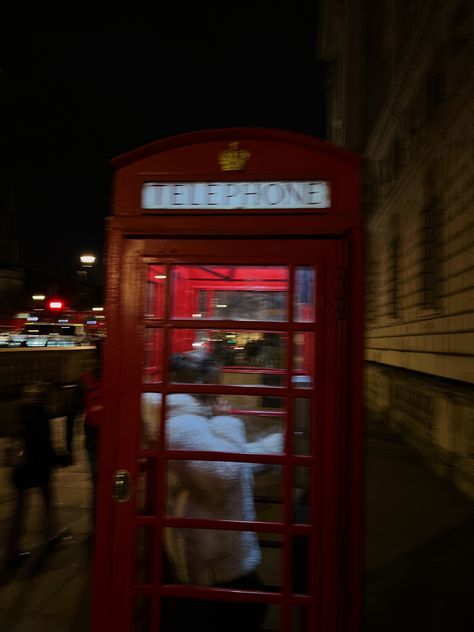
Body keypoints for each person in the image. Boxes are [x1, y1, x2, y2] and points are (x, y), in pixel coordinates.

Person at [162, 350, 282, 632]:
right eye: (217, 380)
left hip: (222, 557)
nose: (222, 387)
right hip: (211, 564)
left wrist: (273, 448)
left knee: (253, 612)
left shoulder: (195, 418)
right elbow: (223, 472)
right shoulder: (182, 425)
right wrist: (225, 420)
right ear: (201, 384)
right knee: (246, 616)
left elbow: (231, 459)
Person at [5, 382, 69, 567]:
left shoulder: (20, 414)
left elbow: (13, 441)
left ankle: (12, 549)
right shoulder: (41, 414)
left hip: (21, 468)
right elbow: (45, 445)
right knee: (48, 501)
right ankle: (49, 534)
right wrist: (60, 458)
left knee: (18, 510)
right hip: (38, 467)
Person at [77, 338, 104, 525]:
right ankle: (110, 521)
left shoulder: (84, 380)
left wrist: (68, 445)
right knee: (115, 483)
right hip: (112, 440)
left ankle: (96, 525)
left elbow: (72, 412)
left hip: (92, 438)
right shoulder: (118, 376)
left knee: (97, 485)